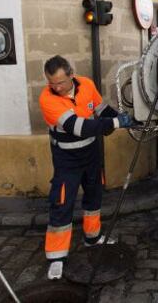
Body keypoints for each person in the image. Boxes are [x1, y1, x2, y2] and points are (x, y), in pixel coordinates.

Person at [39, 55, 133, 280]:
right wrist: (116, 124)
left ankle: (92, 237)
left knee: (94, 196)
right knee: (62, 202)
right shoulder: (47, 99)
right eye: (52, 83)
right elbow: (78, 127)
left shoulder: (87, 85)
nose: (56, 87)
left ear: (71, 74)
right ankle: (56, 257)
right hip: (66, 159)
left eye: (60, 82)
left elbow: (101, 109)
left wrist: (121, 117)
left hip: (91, 154)